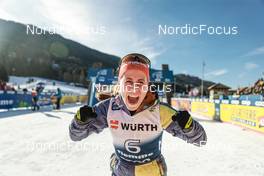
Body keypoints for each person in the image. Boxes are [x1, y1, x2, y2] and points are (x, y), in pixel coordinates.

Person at [69, 53, 207, 176]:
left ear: (148, 85)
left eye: (141, 82)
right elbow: (75, 136)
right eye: (128, 81)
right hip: (120, 171)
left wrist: (190, 127)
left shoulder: (160, 111)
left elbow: (200, 141)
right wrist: (80, 122)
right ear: (120, 84)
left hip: (151, 172)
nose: (134, 88)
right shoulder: (108, 108)